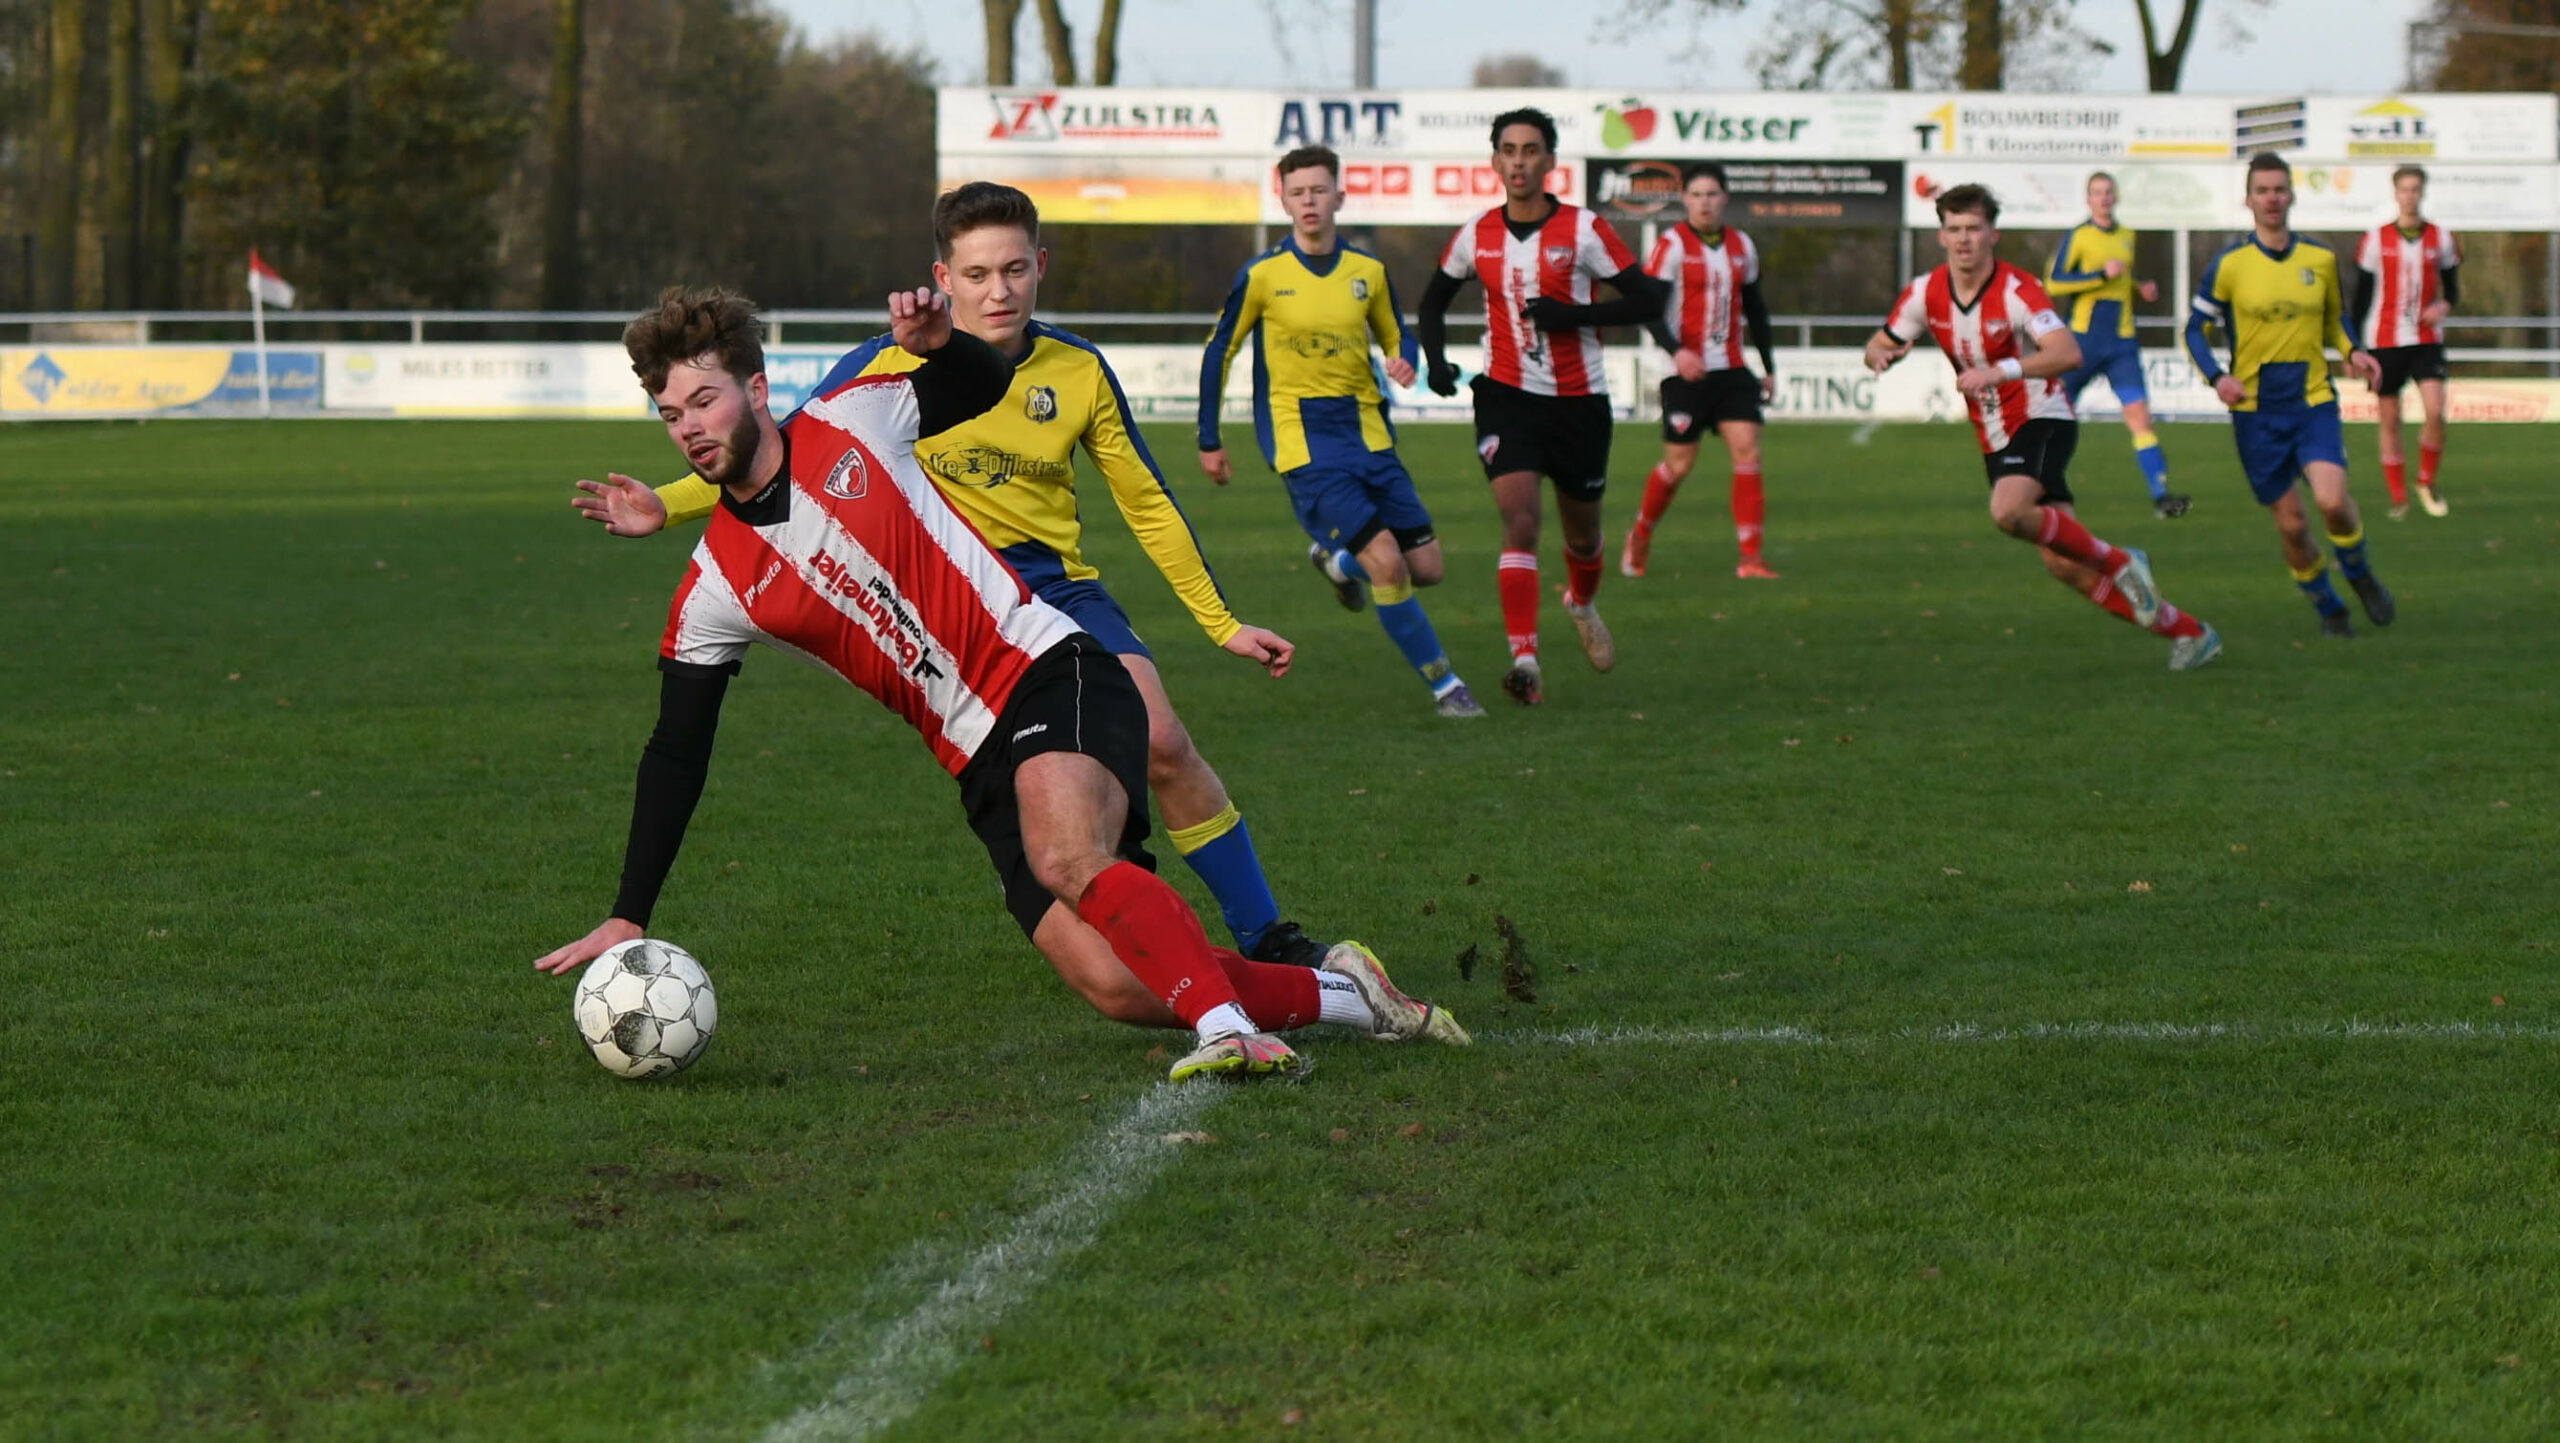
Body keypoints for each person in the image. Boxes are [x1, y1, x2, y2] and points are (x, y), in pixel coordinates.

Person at [536, 286, 1470, 1083]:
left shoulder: (856, 416)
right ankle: (1350, 996)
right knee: (1116, 983)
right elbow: (677, 750)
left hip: (1048, 667)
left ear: (756, 388)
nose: (691, 428)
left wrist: (945, 345)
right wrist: (630, 910)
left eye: (704, 400)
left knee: (1066, 857)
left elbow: (980, 383)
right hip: (971, 751)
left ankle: (1229, 1031)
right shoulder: (714, 587)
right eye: (672, 415)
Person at [578, 184, 1331, 970]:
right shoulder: (884, 363)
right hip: (942, 595)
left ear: (1040, 267)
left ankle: (1267, 938)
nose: (997, 291)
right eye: (976, 274)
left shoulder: (1077, 368)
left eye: (1013, 270)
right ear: (944, 278)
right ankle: (1164, 959)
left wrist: (1220, 621)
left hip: (1051, 586)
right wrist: (668, 504)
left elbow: (1146, 500)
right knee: (1075, 840)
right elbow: (781, 451)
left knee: (1164, 740)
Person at [1866, 184, 2221, 672]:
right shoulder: (1925, 292)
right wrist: (1879, 353)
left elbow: (2067, 352)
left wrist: (2001, 371)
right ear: (1941, 236)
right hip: (1995, 434)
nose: (1964, 239)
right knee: (2063, 564)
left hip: (2042, 416)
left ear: (1993, 234)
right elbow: (1880, 342)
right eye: (1954, 229)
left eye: (1974, 228)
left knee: (2008, 511)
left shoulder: (2017, 289)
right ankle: (2190, 633)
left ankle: (2121, 561)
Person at [1197, 143, 1484, 718]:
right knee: (1389, 563)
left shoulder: (1367, 272)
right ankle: (1447, 687)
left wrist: (1405, 360)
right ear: (1283, 200)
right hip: (1302, 441)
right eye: (1297, 192)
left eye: (1319, 190)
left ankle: (1337, 563)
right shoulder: (1262, 275)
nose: (1309, 201)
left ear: (1339, 197)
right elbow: (1219, 352)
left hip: (1370, 434)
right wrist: (1210, 437)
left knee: (1428, 568)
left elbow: (1396, 334)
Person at [1416, 106, 1668, 706]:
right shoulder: (1477, 233)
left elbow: (1650, 299)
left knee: (1583, 536)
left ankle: (1581, 603)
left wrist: (1573, 315)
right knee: (1520, 519)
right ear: (1495, 161)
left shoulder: (1584, 230)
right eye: (1509, 150)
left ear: (1550, 161)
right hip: (1506, 396)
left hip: (1580, 403)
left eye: (1531, 151)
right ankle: (1524, 661)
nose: (1520, 162)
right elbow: (1432, 301)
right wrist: (1437, 361)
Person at [2186, 154, 2395, 639]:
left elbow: (2336, 319)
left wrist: (2354, 351)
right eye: (2262, 190)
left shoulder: (2319, 259)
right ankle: (2329, 607)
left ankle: (2359, 572)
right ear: (2248, 199)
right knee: (2293, 526)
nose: (2272, 198)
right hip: (2255, 413)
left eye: (2279, 189)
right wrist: (2217, 377)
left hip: (2312, 402)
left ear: (2292, 195)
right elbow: (2195, 329)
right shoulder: (2229, 265)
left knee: (2333, 501)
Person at [1621, 162, 1782, 581]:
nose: (1704, 203)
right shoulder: (1672, 244)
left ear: (1724, 198)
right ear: (1684, 199)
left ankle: (1751, 558)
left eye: (1711, 194)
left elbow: (1756, 309)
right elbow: (1648, 308)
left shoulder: (1743, 245)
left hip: (1732, 368)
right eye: (1696, 195)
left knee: (1747, 450)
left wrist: (1768, 366)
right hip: (1686, 372)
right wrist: (1677, 353)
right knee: (1678, 465)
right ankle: (1640, 534)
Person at [2045, 171, 2190, 519]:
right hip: (2084, 340)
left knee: (2140, 417)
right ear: (2088, 199)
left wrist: (2138, 287)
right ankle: (2042, 486)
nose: (2104, 198)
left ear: (2116, 196)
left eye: (2108, 191)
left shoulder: (2127, 235)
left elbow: (2121, 278)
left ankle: (2161, 497)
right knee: (2057, 414)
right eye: (2097, 192)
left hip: (2122, 342)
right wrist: (2098, 276)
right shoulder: (2079, 236)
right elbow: (2053, 283)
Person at [2353, 165, 2462, 520]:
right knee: (2390, 419)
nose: (2410, 195)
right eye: (2404, 189)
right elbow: (2361, 297)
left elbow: (2453, 288)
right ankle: (2398, 497)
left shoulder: (2441, 238)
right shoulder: (2376, 239)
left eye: (2415, 189)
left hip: (2426, 338)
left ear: (2422, 192)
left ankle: (2426, 480)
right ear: (2396, 193)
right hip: (2384, 339)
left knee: (2435, 410)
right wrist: (2353, 347)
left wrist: (2444, 305)